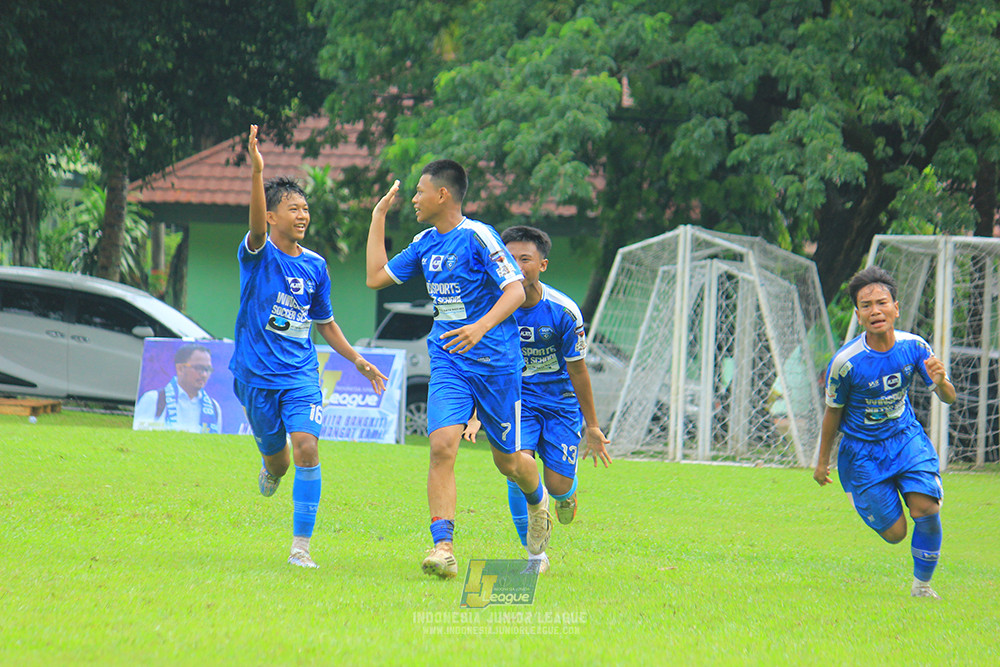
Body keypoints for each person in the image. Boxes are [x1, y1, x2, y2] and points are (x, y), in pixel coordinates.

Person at [366, 161, 552, 579]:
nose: (413, 199)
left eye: (419, 192)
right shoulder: (423, 243)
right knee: (442, 446)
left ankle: (538, 500)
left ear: (443, 195)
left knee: (510, 463)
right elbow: (376, 277)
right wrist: (378, 217)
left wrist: (480, 328)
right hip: (449, 359)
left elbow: (516, 290)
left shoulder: (478, 236)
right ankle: (443, 547)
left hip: (497, 366)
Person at [231, 125, 388, 569]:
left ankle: (301, 548)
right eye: (292, 209)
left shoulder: (317, 266)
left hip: (300, 374)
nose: (302, 216)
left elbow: (325, 324)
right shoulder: (258, 252)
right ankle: (269, 468)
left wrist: (357, 359)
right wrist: (258, 173)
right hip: (255, 376)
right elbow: (255, 224)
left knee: (307, 447)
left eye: (305, 209)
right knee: (278, 461)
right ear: (272, 217)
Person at [463, 226, 612, 573]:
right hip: (517, 400)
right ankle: (535, 557)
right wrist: (476, 414)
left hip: (560, 403)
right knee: (517, 467)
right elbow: (480, 364)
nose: (515, 265)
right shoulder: (493, 309)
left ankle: (566, 494)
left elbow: (578, 372)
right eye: (508, 258)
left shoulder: (563, 312)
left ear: (542, 265)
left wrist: (592, 426)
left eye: (524, 259)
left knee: (557, 485)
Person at [814, 266, 956, 599]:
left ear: (895, 308)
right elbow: (832, 414)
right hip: (862, 451)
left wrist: (942, 382)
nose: (875, 310)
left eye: (881, 302)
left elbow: (948, 397)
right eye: (866, 305)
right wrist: (822, 463)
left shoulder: (914, 347)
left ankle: (922, 587)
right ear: (858, 315)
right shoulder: (846, 363)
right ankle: (864, 491)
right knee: (895, 533)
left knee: (927, 508)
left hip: (905, 439)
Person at [134, 343, 223, 434]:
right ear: (180, 368)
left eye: (207, 369)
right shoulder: (154, 399)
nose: (204, 374)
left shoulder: (213, 407)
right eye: (198, 368)